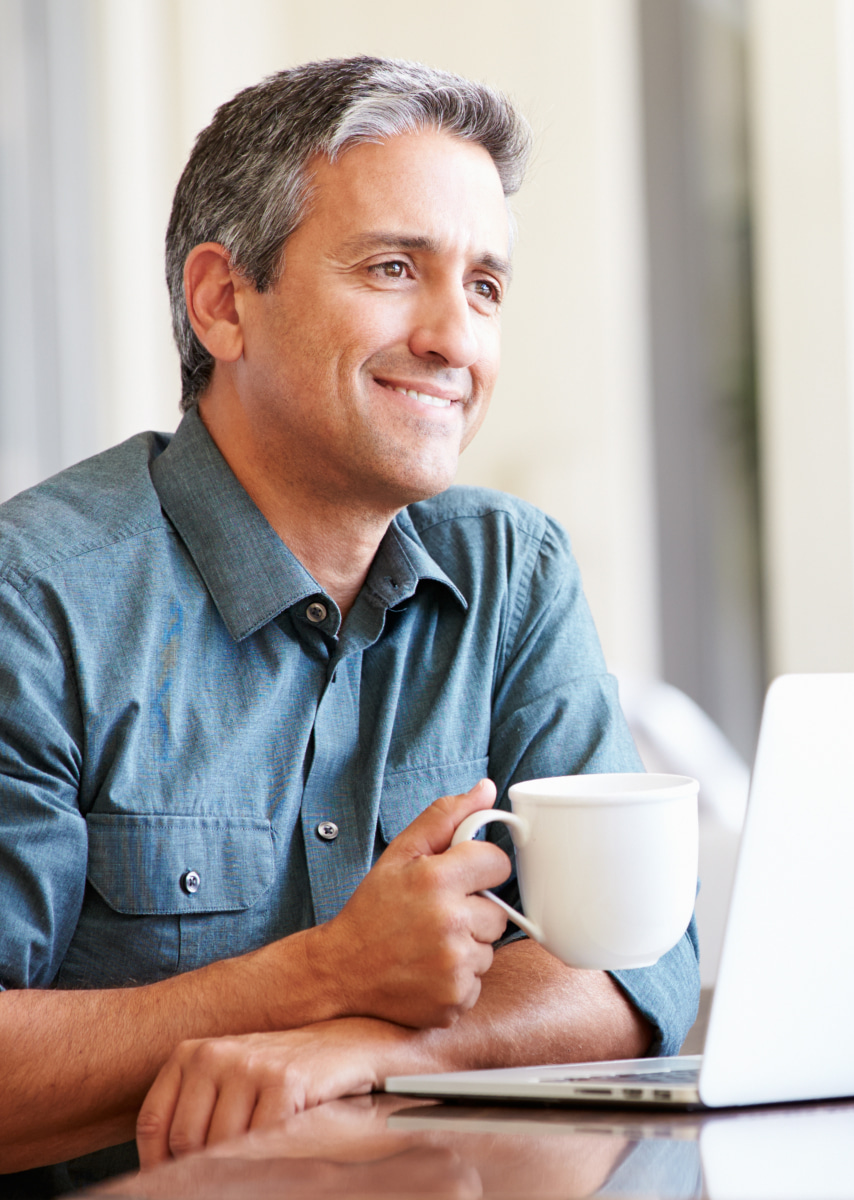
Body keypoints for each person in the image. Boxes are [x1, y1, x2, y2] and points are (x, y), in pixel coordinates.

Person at [0, 56, 699, 1183]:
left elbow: (633, 973)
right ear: (224, 301)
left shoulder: (514, 573)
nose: (453, 339)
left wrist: (357, 1052)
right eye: (392, 268)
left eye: (483, 287)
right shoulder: (30, 599)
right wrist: (321, 975)